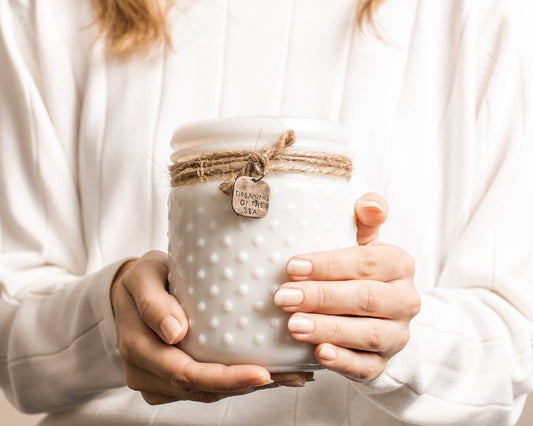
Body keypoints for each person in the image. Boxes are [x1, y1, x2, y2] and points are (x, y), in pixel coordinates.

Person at [0, 0, 532, 425]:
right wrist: (108, 320)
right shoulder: (48, 12)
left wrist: (399, 337)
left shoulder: (483, 13)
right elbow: (12, 340)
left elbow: (514, 352)